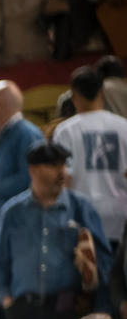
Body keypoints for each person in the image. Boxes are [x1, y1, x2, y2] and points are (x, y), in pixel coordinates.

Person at [0, 142, 112, 319]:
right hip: (23, 310)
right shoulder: (12, 212)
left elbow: (103, 260)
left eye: (63, 166)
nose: (62, 172)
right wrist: (7, 300)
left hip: (67, 309)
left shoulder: (80, 208)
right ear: (33, 170)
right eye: (54, 166)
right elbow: (0, 260)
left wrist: (100, 306)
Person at [53, 66, 127, 250]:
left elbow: (64, 177)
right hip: (122, 216)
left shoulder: (65, 131)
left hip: (83, 219)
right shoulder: (123, 127)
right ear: (102, 92)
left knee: (91, 277)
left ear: (73, 96)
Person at [0, 80, 44, 234]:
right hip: (8, 230)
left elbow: (31, 178)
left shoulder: (26, 134)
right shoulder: (1, 136)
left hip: (24, 228)